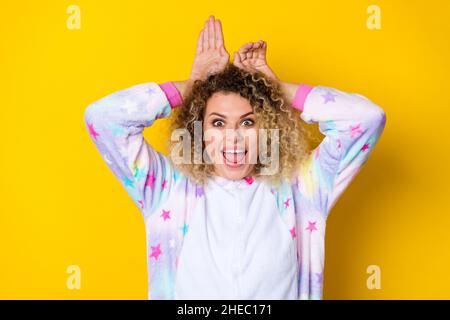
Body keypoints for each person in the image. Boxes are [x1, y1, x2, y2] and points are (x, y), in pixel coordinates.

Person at [84, 15, 386, 300]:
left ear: (267, 128)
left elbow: (367, 118)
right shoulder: (169, 190)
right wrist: (192, 86)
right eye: (218, 122)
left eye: (247, 122)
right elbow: (103, 118)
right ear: (199, 130)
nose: (233, 137)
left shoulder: (301, 189)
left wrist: (275, 89)